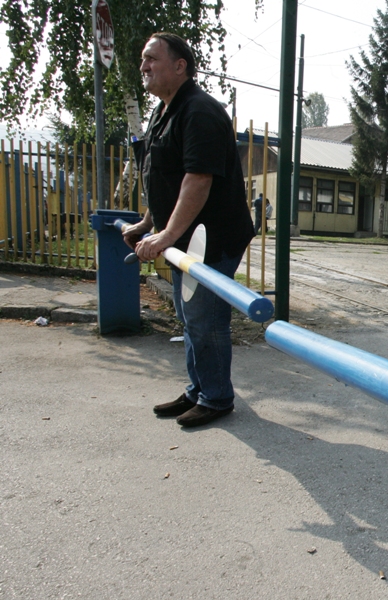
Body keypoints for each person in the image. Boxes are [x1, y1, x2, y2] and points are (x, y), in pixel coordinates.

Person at [123, 32, 255, 428]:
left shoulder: (199, 111)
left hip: (213, 237)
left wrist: (163, 236)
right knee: (189, 315)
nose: (143, 66)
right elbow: (163, 180)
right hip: (185, 237)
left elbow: (197, 181)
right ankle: (200, 388)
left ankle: (216, 397)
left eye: (151, 59)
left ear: (179, 66)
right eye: (143, 60)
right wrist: (150, 223)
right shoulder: (163, 112)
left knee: (204, 317)